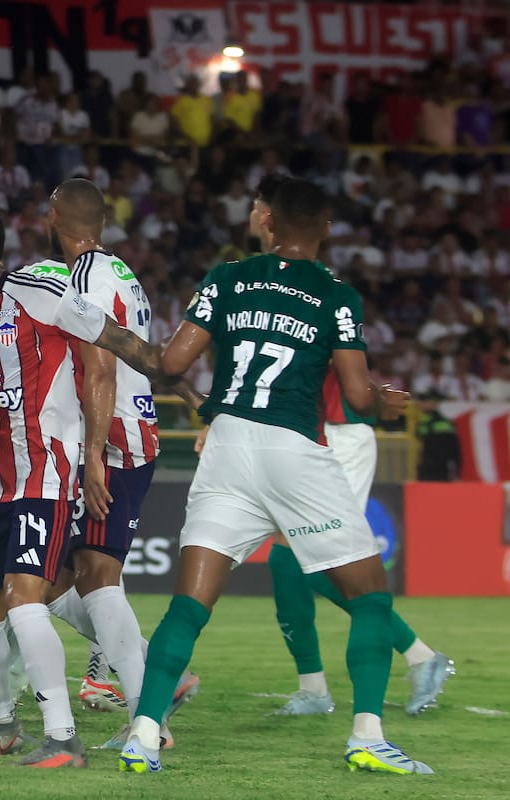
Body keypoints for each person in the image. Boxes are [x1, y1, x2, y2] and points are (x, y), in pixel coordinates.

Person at [116, 179, 429, 775]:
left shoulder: (227, 278)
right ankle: (367, 735)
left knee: (189, 604)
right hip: (292, 449)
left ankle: (144, 734)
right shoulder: (336, 295)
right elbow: (356, 394)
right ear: (327, 227)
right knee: (370, 596)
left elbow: (173, 362)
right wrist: (383, 400)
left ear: (267, 220)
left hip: (227, 446)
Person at [0, 203, 193, 767]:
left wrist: (186, 387)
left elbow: (118, 346)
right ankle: (3, 725)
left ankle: (63, 737)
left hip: (45, 472)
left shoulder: (40, 293)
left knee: (27, 596)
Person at [242, 175, 454, 718]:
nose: (254, 215)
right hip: (300, 435)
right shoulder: (260, 278)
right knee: (288, 564)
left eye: (259, 207)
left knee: (312, 564)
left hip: (338, 435)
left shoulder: (313, 284)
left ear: (272, 218)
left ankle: (412, 659)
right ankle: (322, 686)